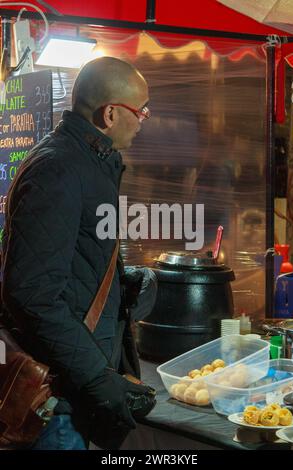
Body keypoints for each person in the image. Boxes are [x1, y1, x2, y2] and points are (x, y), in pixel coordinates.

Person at [1, 57, 157, 450]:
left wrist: (124, 283)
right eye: (140, 111)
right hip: (57, 404)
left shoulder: (89, 162)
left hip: (75, 393)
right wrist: (96, 377)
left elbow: (72, 263)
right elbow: (31, 293)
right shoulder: (59, 169)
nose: (143, 121)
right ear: (110, 113)